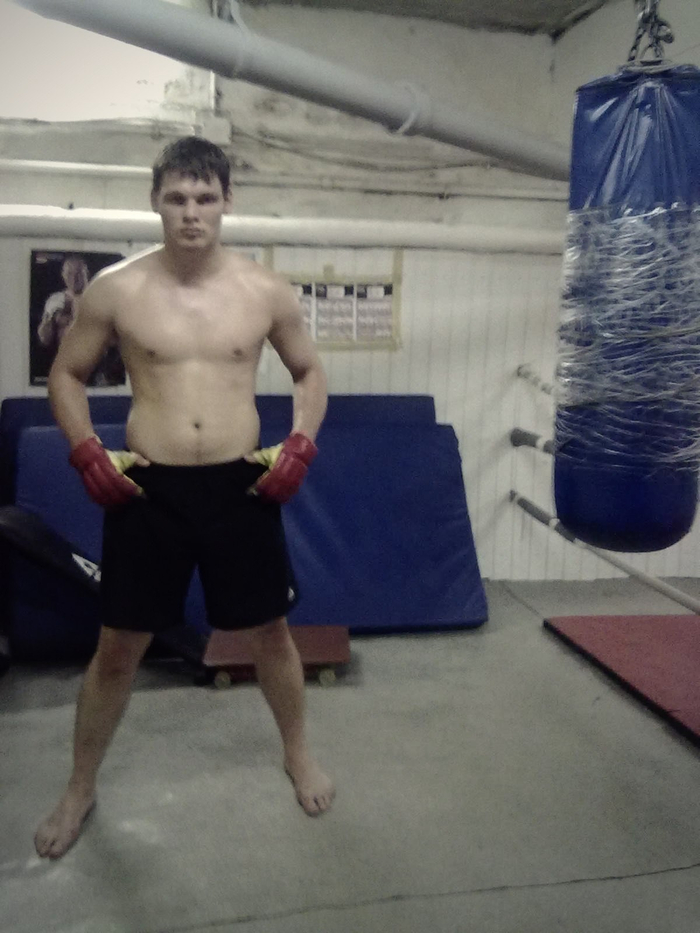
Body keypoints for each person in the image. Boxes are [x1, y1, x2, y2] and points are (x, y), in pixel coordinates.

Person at [34, 136, 334, 861]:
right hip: (149, 490)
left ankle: (297, 753)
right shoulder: (116, 290)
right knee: (117, 649)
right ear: (155, 202)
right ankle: (79, 786)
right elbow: (66, 375)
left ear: (227, 201)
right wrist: (84, 449)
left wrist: (300, 443)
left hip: (241, 486)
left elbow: (309, 371)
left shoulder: (265, 290)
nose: (191, 212)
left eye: (204, 197)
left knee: (271, 634)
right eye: (177, 198)